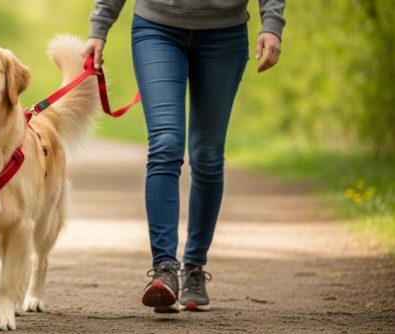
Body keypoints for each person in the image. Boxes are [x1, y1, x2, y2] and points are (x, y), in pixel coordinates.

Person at [84, 0, 285, 313]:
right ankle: (164, 268)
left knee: (207, 154)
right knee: (165, 144)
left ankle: (193, 268)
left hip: (225, 33)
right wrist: (100, 26)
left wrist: (272, 22)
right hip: (156, 28)